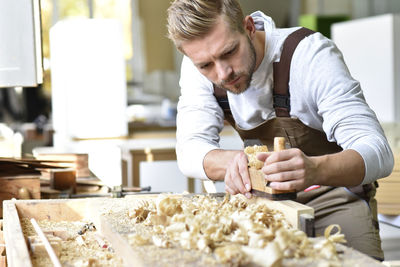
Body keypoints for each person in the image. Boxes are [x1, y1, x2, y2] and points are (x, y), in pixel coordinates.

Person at [167, 0, 393, 260]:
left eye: (229, 51)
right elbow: (190, 150)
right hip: (263, 204)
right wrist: (235, 163)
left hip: (334, 195)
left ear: (249, 27)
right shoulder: (201, 65)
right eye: (205, 65)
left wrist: (315, 169)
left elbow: (379, 152)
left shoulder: (309, 55)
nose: (223, 73)